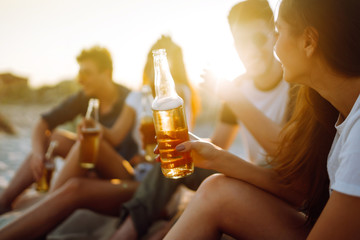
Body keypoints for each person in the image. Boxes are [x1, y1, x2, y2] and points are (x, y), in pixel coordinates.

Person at [164, 0, 360, 239]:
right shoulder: (329, 106)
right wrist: (217, 155)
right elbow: (304, 188)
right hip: (290, 189)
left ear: (308, 41)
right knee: (212, 185)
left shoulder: (303, 96)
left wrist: (234, 99)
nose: (275, 46)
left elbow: (284, 154)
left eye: (277, 33)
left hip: (281, 178)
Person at [111, 1, 292, 239]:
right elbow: (219, 143)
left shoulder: (294, 80)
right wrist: (188, 144)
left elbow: (287, 153)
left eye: (258, 39)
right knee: (176, 151)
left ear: (275, 36)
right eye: (241, 42)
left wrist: (236, 99)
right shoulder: (239, 85)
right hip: (251, 175)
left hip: (281, 187)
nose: (250, 50)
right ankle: (126, 233)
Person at [0, 36, 199, 239]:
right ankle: (14, 205)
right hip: (134, 174)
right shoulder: (136, 97)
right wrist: (95, 127)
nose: (153, 67)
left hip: (159, 182)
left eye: (163, 62)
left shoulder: (178, 97)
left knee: (76, 187)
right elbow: (113, 137)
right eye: (151, 60)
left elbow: (184, 141)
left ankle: (30, 218)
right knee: (76, 140)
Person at [0, 46, 137, 215]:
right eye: (79, 74)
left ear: (106, 73)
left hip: (121, 174)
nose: (81, 80)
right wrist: (38, 154)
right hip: (92, 167)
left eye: (87, 73)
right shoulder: (85, 97)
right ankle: (5, 201)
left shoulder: (130, 100)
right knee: (55, 138)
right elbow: (43, 123)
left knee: (89, 142)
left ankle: (44, 208)